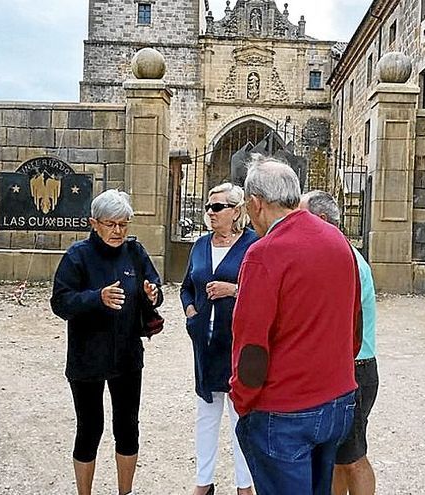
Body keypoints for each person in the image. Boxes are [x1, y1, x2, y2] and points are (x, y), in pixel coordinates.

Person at [231, 156, 361, 495]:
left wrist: (242, 400)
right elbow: (354, 328)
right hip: (336, 400)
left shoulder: (264, 253)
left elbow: (251, 344)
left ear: (256, 203)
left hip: (284, 409)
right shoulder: (338, 242)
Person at [50, 189, 163, 495]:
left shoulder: (135, 253)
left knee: (127, 428)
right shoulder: (77, 256)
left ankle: (125, 492)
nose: (117, 231)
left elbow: (154, 286)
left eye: (123, 225)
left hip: (127, 356)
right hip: (87, 358)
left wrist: (153, 293)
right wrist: (96, 298)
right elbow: (60, 302)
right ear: (94, 223)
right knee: (90, 429)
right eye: (111, 224)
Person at [181, 183, 258, 495]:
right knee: (206, 416)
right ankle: (203, 482)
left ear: (236, 211)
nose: (210, 213)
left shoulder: (254, 245)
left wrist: (234, 290)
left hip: (238, 344)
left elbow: (265, 291)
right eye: (208, 207)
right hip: (206, 343)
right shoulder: (200, 245)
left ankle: (245, 485)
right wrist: (190, 311)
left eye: (218, 207)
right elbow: (187, 285)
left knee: (241, 417)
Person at [301, 190, 379, 495]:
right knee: (334, 457)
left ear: (321, 221)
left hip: (355, 369)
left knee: (352, 457)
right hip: (344, 367)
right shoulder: (337, 255)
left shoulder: (346, 260)